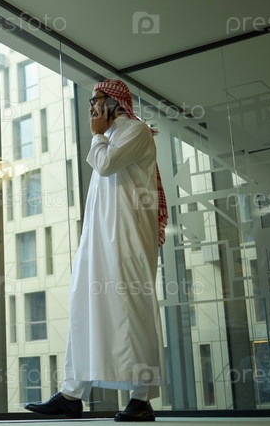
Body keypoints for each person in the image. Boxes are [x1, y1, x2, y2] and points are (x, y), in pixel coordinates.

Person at [25, 79, 168, 422]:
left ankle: (142, 399)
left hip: (128, 238)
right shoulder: (110, 134)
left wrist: (97, 135)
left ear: (115, 101)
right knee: (84, 306)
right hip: (99, 237)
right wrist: (101, 136)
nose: (91, 106)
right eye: (90, 101)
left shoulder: (135, 131)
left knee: (132, 309)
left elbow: (105, 165)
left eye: (96, 99)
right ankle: (71, 395)